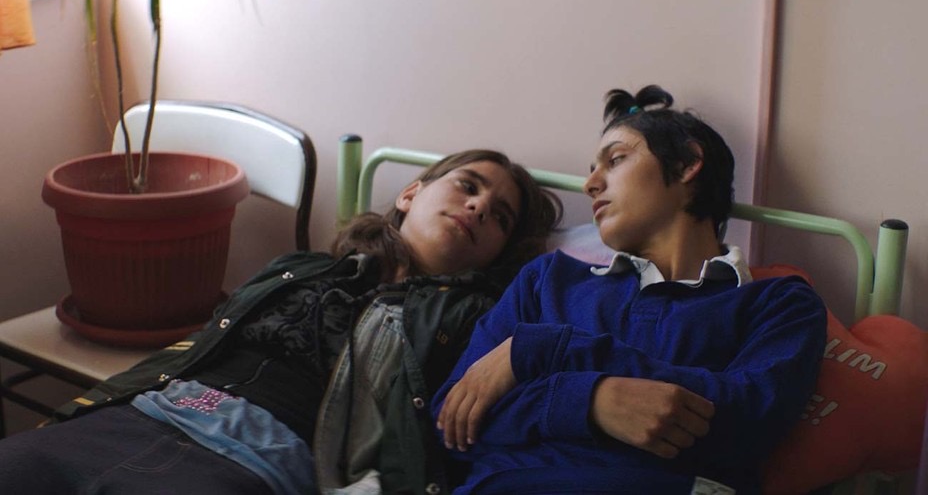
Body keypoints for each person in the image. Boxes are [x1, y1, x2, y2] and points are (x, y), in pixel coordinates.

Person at [0, 149, 562, 495]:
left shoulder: (470, 320)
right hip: (139, 417)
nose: (478, 207)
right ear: (410, 194)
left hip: (251, 463)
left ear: (499, 254)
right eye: (468, 185)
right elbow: (200, 345)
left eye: (499, 217)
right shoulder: (300, 268)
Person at [432, 85, 828, 494]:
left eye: (616, 159)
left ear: (688, 163)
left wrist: (547, 351)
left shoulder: (780, 304)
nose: (590, 185)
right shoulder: (546, 280)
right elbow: (452, 423)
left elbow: (744, 422)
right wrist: (590, 401)